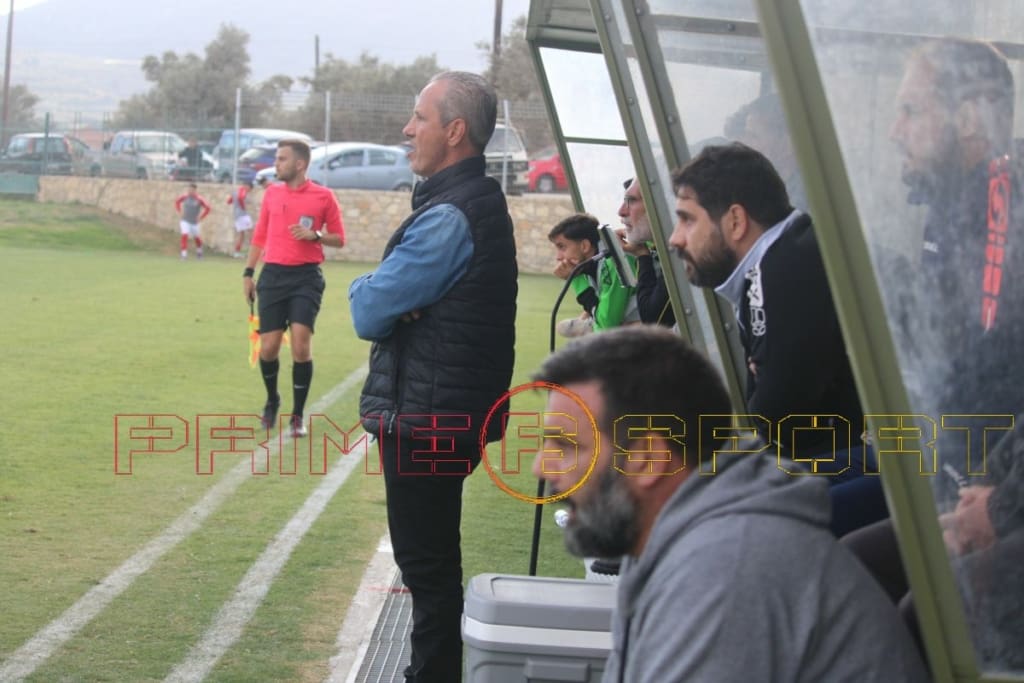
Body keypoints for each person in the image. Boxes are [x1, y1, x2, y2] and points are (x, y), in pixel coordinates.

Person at [531, 325, 929, 682]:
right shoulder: (670, 537)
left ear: (648, 459)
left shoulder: (726, 567)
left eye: (567, 446)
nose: (541, 466)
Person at [844, 37, 1024, 671]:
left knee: (926, 613)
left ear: (969, 118)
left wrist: (998, 502)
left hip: (995, 482)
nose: (895, 131)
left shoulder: (1005, 208)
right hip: (974, 472)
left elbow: (986, 379)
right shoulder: (955, 206)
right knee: (854, 565)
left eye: (910, 110)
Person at [348, 71, 517, 683]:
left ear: (454, 131)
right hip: (440, 410)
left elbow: (369, 311)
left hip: (428, 418)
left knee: (427, 568)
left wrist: (370, 287)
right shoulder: (467, 203)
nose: (406, 129)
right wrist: (396, 296)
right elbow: (391, 302)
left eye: (419, 117)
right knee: (431, 564)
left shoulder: (449, 216)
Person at [668, 142, 881, 536]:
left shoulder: (784, 266)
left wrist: (767, 380)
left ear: (736, 221)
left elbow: (776, 415)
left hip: (913, 456)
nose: (675, 238)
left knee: (736, 517)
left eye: (687, 220)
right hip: (867, 449)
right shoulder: (784, 254)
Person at [242, 139, 345, 438]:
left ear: (300, 164)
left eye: (281, 159)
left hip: (306, 278)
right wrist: (248, 273)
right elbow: (260, 235)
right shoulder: (272, 194)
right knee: (269, 347)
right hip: (273, 276)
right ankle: (272, 399)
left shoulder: (324, 196)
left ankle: (297, 415)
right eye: (277, 158)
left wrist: (316, 236)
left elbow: (339, 238)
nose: (276, 164)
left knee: (301, 345)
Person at [549, 212, 638, 338]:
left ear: (584, 246)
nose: (558, 257)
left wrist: (575, 278)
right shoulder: (592, 263)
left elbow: (606, 326)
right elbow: (596, 310)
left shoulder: (614, 261)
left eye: (562, 247)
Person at [617, 176, 675, 327]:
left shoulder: (678, 252)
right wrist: (641, 253)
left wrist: (642, 256)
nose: (621, 211)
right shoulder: (662, 250)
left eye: (632, 200)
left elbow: (652, 318)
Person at [174, 182, 210, 260]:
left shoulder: (199, 199)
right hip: (185, 220)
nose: (190, 191)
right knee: (184, 235)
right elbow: (177, 202)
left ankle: (199, 252)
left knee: (197, 238)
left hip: (194, 222)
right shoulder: (185, 197)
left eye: (192, 190)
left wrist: (201, 217)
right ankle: (184, 255)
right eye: (189, 189)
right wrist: (179, 211)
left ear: (195, 190)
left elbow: (208, 208)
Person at [227, 180, 255, 258]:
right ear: (248, 186)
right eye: (250, 189)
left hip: (236, 215)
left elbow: (229, 201)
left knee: (241, 235)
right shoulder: (243, 190)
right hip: (243, 215)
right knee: (251, 232)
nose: (249, 191)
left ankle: (237, 252)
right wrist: (243, 207)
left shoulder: (235, 192)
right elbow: (240, 197)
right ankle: (253, 252)